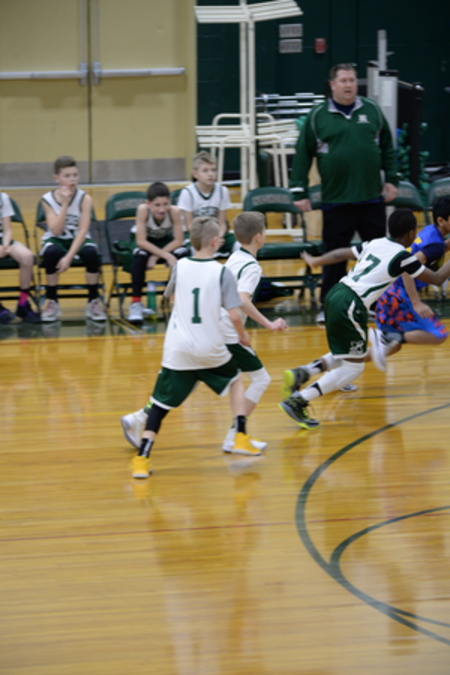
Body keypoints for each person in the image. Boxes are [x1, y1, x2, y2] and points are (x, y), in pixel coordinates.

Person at [121, 211, 288, 453]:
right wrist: (269, 324)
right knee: (260, 379)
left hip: (205, 329)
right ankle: (235, 436)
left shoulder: (234, 257)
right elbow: (242, 299)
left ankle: (139, 417)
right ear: (260, 237)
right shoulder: (252, 266)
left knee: (190, 378)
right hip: (226, 332)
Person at [279, 209, 450, 428]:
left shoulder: (376, 243)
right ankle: (299, 400)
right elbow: (436, 278)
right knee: (354, 368)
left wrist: (317, 261)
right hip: (352, 304)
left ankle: (304, 372)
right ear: (411, 233)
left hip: (335, 293)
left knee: (350, 353)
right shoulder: (403, 257)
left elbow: (341, 254)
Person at [290, 63, 399, 325]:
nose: (349, 85)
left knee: (376, 259)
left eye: (352, 80)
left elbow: (388, 146)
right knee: (334, 259)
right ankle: (330, 308)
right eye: (343, 80)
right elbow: (303, 153)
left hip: (371, 199)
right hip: (336, 202)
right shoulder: (318, 116)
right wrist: (299, 190)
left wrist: (392, 179)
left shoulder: (372, 110)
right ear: (332, 85)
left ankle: (373, 305)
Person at [375, 196, 450, 351]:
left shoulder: (431, 230)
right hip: (398, 295)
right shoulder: (435, 245)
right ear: (441, 220)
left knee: (389, 348)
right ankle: (389, 337)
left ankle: (326, 363)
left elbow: (437, 249)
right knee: (438, 334)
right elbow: (406, 266)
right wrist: (416, 302)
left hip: (388, 291)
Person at [40, 156, 106, 322]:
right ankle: (52, 300)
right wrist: (64, 204)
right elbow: (56, 230)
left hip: (78, 239)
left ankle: (93, 300)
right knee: (51, 253)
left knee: (91, 253)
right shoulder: (47, 199)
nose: (72, 179)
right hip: (56, 239)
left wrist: (69, 257)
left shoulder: (85, 198)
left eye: (75, 175)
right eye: (67, 176)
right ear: (57, 178)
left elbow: (83, 230)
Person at [127, 181, 186, 323]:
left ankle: (183, 303)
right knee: (140, 257)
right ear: (148, 204)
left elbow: (179, 240)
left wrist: (155, 256)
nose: (162, 209)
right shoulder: (143, 210)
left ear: (170, 201)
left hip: (165, 242)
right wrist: (165, 255)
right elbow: (141, 241)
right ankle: (136, 303)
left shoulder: (174, 211)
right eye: (157, 205)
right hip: (145, 241)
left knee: (183, 254)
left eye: (165, 204)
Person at [176, 151, 239, 258]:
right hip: (195, 235)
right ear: (195, 174)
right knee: (189, 250)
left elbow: (222, 223)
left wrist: (219, 236)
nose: (210, 174)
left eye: (213, 170)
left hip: (216, 234)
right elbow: (190, 226)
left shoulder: (222, 191)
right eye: (205, 170)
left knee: (240, 246)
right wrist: (207, 239)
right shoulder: (187, 193)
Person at [0, 191, 40, 324]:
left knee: (27, 257)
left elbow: (8, 229)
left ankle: (23, 303)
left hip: (3, 240)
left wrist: (5, 245)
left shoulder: (2, 197)